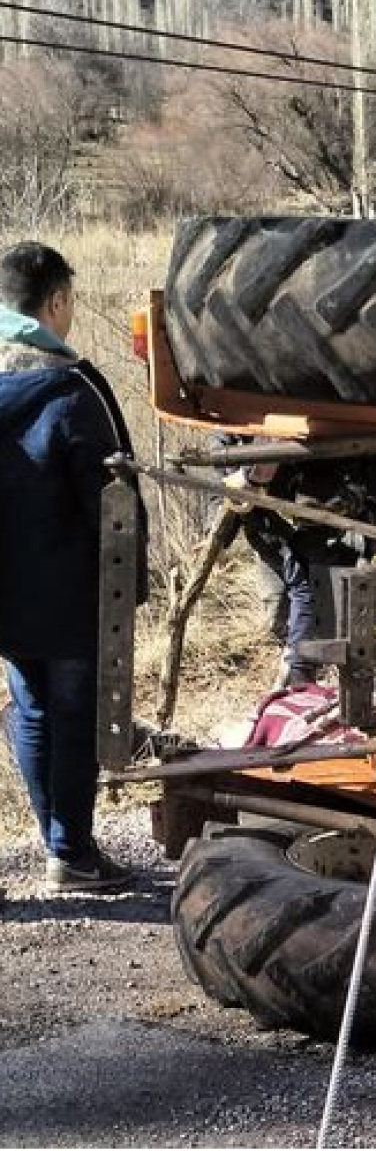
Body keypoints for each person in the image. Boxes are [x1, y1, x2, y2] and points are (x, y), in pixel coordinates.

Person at [0, 242, 143, 891]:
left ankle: (56, 841)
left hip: (7, 593)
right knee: (73, 713)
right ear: (56, 302)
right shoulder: (73, 384)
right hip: (69, 590)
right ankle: (73, 854)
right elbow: (114, 499)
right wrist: (130, 586)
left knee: (29, 707)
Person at [227, 454, 376, 690]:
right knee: (288, 604)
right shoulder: (262, 475)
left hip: (343, 515)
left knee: (309, 591)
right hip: (283, 527)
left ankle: (303, 672)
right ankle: (300, 671)